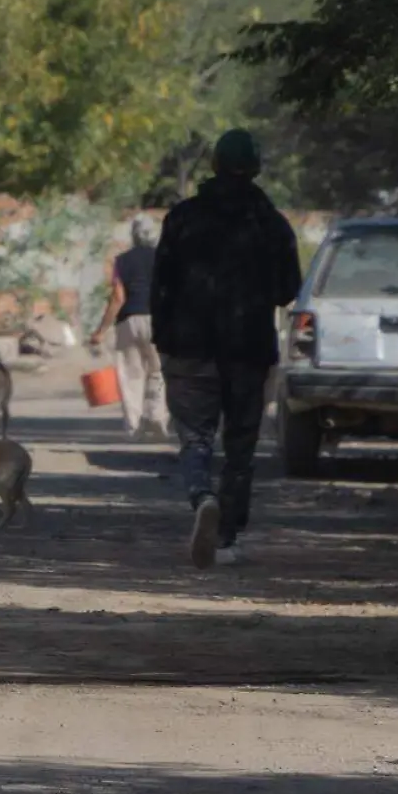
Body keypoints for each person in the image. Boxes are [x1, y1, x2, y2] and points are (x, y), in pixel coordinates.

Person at [151, 129, 301, 569]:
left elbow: (161, 287)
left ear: (213, 165)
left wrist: (165, 340)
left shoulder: (182, 218)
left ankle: (203, 496)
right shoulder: (271, 223)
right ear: (255, 169)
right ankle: (227, 538)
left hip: (188, 348)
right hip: (248, 352)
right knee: (240, 446)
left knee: (195, 437)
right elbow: (287, 289)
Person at [88, 215, 168, 441]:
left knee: (131, 375)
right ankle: (157, 419)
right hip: (159, 320)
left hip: (128, 321)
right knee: (159, 370)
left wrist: (101, 330)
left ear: (133, 235)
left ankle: (134, 427)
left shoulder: (121, 261)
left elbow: (118, 297)